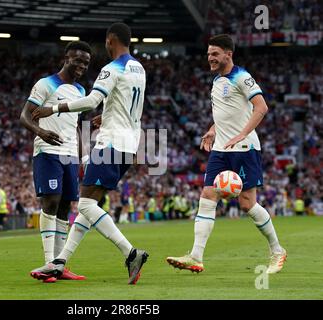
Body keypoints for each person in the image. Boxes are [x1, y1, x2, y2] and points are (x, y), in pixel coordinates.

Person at [31, 22, 149, 285]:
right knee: (90, 206)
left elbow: (91, 100)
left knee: (85, 204)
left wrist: (54, 109)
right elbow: (123, 102)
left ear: (110, 40)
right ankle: (59, 261)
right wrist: (104, 116)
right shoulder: (139, 68)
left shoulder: (111, 68)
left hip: (110, 144)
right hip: (130, 145)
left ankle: (130, 253)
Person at [166, 34, 287, 274]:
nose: (209, 58)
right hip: (221, 149)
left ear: (228, 54)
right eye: (208, 53)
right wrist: (212, 130)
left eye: (214, 54)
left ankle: (277, 250)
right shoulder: (217, 81)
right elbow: (224, 114)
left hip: (244, 149)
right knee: (208, 194)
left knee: (246, 203)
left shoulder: (242, 77)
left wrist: (243, 134)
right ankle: (196, 256)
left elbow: (261, 107)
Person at [20, 41, 92, 283]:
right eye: (78, 60)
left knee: (65, 207)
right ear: (66, 57)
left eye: (85, 62)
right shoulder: (45, 84)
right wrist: (40, 132)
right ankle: (48, 263)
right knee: (50, 202)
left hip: (70, 155)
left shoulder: (81, 91)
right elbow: (24, 115)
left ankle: (60, 265)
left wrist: (83, 156)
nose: (81, 65)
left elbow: (77, 126)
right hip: (47, 152)